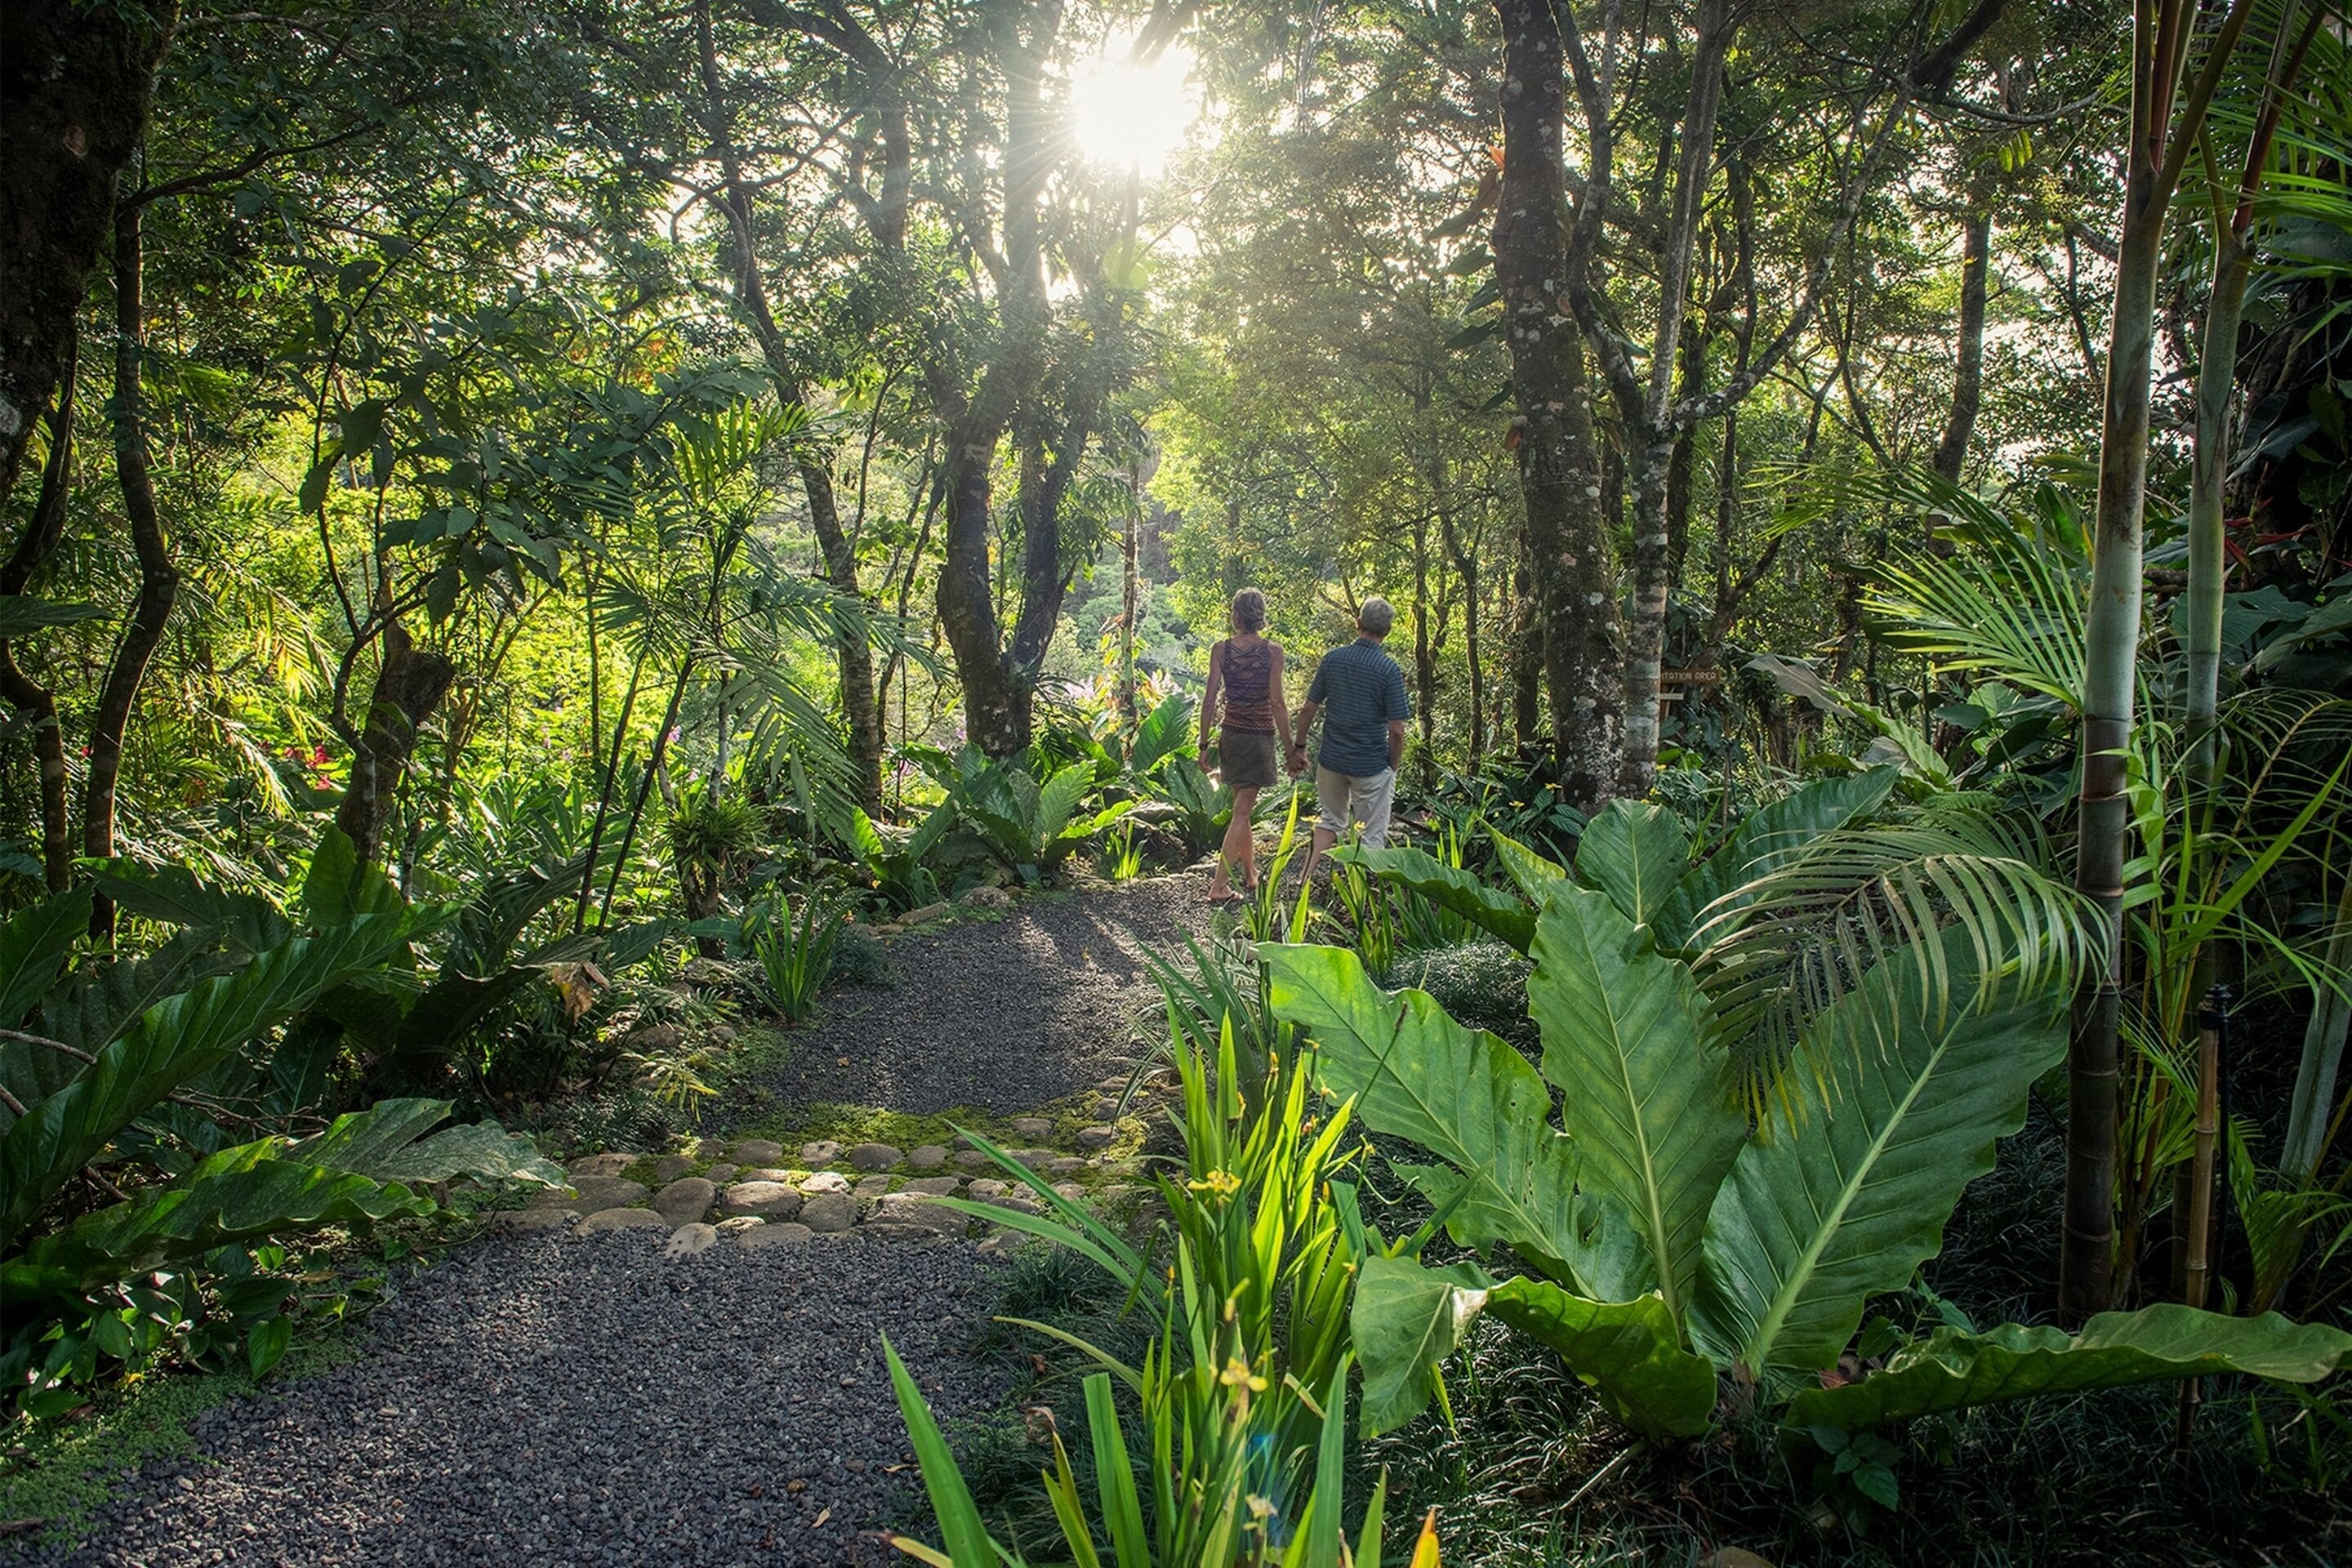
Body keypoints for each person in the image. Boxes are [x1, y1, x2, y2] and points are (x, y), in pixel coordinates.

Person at [1288, 597, 1410, 882]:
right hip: (1370, 764)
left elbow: (1309, 708)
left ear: (1358, 623)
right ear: (1388, 631)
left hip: (1331, 760)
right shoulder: (1389, 670)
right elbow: (1396, 730)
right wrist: (1392, 766)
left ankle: (1305, 878)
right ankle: (1361, 896)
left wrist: (1300, 747)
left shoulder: (1333, 659)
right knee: (1372, 833)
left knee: (1330, 820)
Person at [1197, 587, 1294, 904]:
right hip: (1258, 738)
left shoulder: (1220, 650)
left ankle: (1251, 874)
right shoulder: (1273, 652)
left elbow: (1210, 700)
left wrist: (1203, 744)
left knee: (1243, 809)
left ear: (1235, 616)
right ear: (1261, 616)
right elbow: (1278, 702)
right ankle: (1219, 886)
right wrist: (1292, 747)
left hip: (1231, 735)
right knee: (1241, 811)